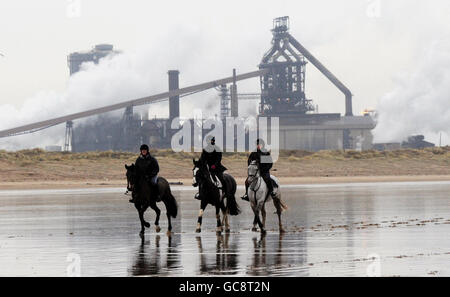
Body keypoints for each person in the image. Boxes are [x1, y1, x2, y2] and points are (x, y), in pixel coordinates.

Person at [195, 136, 227, 200]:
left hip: (217, 167)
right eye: (210, 141)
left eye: (212, 141)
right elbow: (202, 159)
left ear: (213, 141)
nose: (211, 142)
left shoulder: (217, 149)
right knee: (201, 179)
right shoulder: (205, 149)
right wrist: (198, 163)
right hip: (208, 168)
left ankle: (225, 191)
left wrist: (215, 165)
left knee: (222, 179)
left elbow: (219, 159)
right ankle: (200, 193)